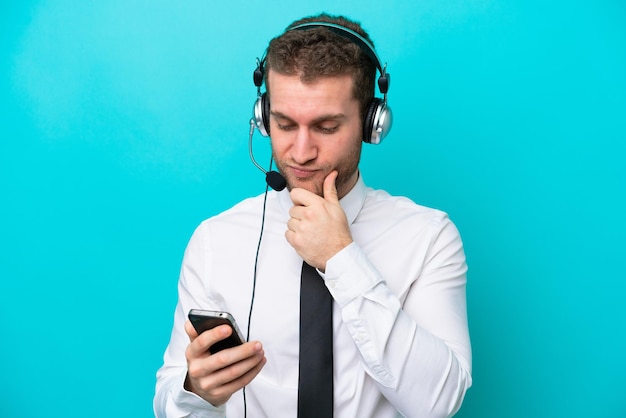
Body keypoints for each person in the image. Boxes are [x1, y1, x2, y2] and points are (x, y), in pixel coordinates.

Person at [154, 13, 472, 418]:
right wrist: (196, 390)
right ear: (263, 116)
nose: (301, 152)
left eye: (325, 127)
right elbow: (170, 397)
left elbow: (438, 403)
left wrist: (341, 258)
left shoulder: (428, 237)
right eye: (285, 124)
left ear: (371, 124)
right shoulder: (216, 240)